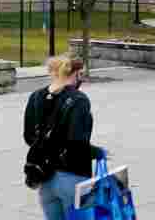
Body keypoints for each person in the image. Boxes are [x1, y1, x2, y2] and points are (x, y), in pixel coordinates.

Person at [23, 54, 99, 220]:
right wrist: (96, 152)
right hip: (73, 176)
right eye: (82, 74)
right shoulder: (79, 99)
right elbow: (76, 143)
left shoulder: (36, 97)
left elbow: (29, 137)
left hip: (45, 177)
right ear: (75, 74)